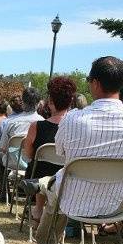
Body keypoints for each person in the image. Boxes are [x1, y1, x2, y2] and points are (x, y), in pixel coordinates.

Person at [20, 56, 123, 244]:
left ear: (95, 83)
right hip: (114, 204)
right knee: (58, 184)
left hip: (72, 200)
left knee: (57, 186)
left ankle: (46, 237)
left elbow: (61, 152)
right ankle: (45, 186)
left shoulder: (73, 119)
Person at [22, 77, 77, 225]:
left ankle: (38, 209)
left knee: (38, 166)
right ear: (70, 102)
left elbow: (28, 155)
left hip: (38, 177)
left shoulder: (36, 126)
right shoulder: (77, 128)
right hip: (68, 178)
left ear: (50, 102)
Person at [0, 88, 43, 202]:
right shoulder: (42, 122)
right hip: (33, 164)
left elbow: (3, 148)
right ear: (38, 103)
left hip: (14, 161)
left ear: (23, 103)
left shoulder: (12, 122)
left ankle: (4, 193)